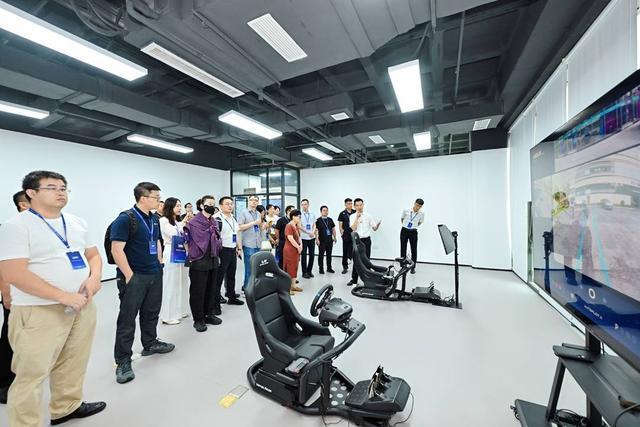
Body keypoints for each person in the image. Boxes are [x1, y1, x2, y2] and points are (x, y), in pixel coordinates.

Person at [0, 170, 106, 426]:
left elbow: (93, 255)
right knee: (31, 373)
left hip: (82, 304)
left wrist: (95, 278)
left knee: (73, 360)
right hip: (39, 310)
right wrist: (62, 296)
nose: (61, 192)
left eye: (63, 188)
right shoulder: (17, 226)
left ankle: (66, 407)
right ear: (31, 193)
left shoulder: (76, 222)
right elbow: (13, 273)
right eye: (52, 187)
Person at [111, 182, 174, 384]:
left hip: (154, 273)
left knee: (151, 312)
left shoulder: (154, 219)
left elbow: (157, 241)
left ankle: (150, 343)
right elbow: (116, 250)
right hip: (134, 276)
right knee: (127, 318)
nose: (159, 201)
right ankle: (123, 360)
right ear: (143, 198)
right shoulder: (125, 219)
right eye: (156, 197)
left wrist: (159, 262)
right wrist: (129, 275)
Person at [0, 191, 30, 405]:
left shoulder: (34, 230)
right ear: (23, 205)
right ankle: (4, 382)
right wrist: (6, 293)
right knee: (10, 337)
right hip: (15, 294)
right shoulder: (10, 230)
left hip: (35, 295)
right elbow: (3, 267)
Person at [183, 195, 223, 332]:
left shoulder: (214, 221)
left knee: (211, 288)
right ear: (201, 205)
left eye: (213, 204)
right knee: (198, 291)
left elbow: (217, 238)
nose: (211, 206)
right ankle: (198, 319)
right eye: (209, 204)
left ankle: (208, 314)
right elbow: (187, 241)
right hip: (199, 259)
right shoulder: (193, 222)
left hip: (212, 257)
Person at [159, 198, 190, 324]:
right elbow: (174, 234)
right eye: (177, 206)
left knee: (182, 281)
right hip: (170, 250)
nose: (179, 208)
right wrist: (183, 225)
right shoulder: (163, 220)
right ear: (170, 207)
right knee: (171, 282)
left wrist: (183, 224)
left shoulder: (177, 222)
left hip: (180, 250)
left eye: (180, 206)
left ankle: (180, 310)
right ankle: (168, 315)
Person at [213, 196, 244, 316]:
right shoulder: (217, 219)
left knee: (231, 275)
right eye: (227, 204)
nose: (230, 206)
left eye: (231, 204)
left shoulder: (233, 218)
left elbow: (236, 233)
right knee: (218, 278)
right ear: (221, 206)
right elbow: (214, 238)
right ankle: (215, 304)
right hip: (222, 250)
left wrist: (239, 248)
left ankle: (231, 297)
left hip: (232, 250)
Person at [348, 198, 381, 286]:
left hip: (366, 240)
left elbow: (374, 228)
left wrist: (377, 225)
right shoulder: (352, 216)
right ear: (354, 206)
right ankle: (354, 280)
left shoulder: (368, 216)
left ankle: (367, 280)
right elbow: (353, 228)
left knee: (366, 261)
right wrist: (357, 218)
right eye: (357, 205)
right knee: (356, 260)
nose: (359, 207)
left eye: (361, 205)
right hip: (357, 240)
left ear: (363, 205)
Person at [237, 195, 262, 290]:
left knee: (256, 267)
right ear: (248, 201)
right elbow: (240, 227)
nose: (254, 202)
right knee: (249, 268)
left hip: (257, 243)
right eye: (251, 200)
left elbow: (258, 228)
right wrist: (254, 223)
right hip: (248, 244)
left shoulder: (258, 213)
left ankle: (253, 287)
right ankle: (246, 288)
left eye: (256, 200)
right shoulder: (243, 212)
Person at [400, 198, 425, 274]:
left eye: (420, 206)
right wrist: (406, 226)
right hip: (404, 230)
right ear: (414, 203)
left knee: (414, 249)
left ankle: (413, 267)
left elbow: (420, 222)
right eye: (417, 205)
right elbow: (402, 219)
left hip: (413, 232)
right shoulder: (406, 210)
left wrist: (413, 226)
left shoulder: (421, 213)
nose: (418, 207)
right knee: (403, 248)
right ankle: (403, 266)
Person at [283, 210, 304, 294]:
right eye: (298, 216)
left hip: (296, 249)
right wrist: (298, 247)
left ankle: (293, 286)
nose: (299, 218)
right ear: (293, 217)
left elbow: (299, 237)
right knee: (289, 268)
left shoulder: (296, 226)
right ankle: (287, 288)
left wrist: (301, 245)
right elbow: (290, 238)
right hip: (290, 250)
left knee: (295, 267)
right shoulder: (289, 226)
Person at [315, 206, 337, 274]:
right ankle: (321, 269)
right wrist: (317, 239)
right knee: (321, 255)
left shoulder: (330, 219)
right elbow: (316, 230)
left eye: (326, 210)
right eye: (324, 210)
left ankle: (329, 268)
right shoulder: (318, 220)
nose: (325, 212)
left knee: (329, 255)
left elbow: (333, 229)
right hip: (322, 240)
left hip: (329, 240)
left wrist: (335, 237)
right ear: (321, 212)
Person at [299, 199, 317, 279]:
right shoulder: (299, 215)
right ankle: (304, 272)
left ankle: (309, 271)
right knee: (304, 255)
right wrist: (308, 232)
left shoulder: (312, 214)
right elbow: (299, 226)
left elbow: (314, 224)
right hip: (303, 237)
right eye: (302, 204)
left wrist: (313, 232)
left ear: (308, 205)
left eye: (305, 204)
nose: (304, 206)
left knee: (312, 255)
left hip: (312, 237)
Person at [338, 198, 354, 274]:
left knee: (354, 250)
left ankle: (351, 260)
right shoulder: (342, 214)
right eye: (349, 203)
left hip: (354, 233)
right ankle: (345, 267)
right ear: (345, 204)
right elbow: (340, 225)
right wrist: (342, 234)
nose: (350, 205)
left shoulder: (355, 212)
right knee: (345, 251)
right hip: (346, 234)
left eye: (351, 203)